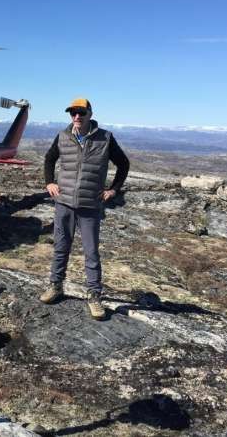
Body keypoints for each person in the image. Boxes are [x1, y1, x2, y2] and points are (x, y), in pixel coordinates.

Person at [40, 97, 129, 320]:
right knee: (61, 247)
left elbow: (123, 164)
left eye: (81, 112)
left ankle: (95, 296)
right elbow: (49, 159)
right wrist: (49, 182)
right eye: (73, 113)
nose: (76, 117)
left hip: (90, 205)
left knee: (91, 252)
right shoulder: (63, 136)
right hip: (64, 203)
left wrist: (114, 190)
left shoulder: (105, 138)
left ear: (90, 113)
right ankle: (56, 286)